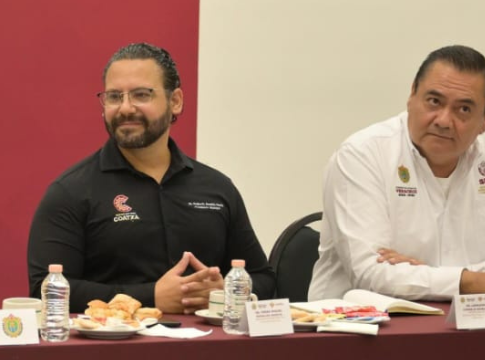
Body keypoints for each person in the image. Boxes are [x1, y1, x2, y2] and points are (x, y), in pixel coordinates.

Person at [27, 43, 273, 314]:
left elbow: (263, 279)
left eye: (141, 95)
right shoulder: (71, 191)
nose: (125, 108)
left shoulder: (217, 188)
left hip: (209, 341)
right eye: (114, 97)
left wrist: (225, 292)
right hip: (116, 340)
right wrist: (150, 296)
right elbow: (44, 290)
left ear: (175, 101)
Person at [310, 45, 485, 300]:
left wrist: (425, 275)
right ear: (411, 95)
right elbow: (370, 274)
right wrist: (470, 281)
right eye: (434, 102)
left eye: (464, 109)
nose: (444, 121)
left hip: (466, 319)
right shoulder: (362, 154)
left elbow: (394, 276)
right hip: (363, 321)